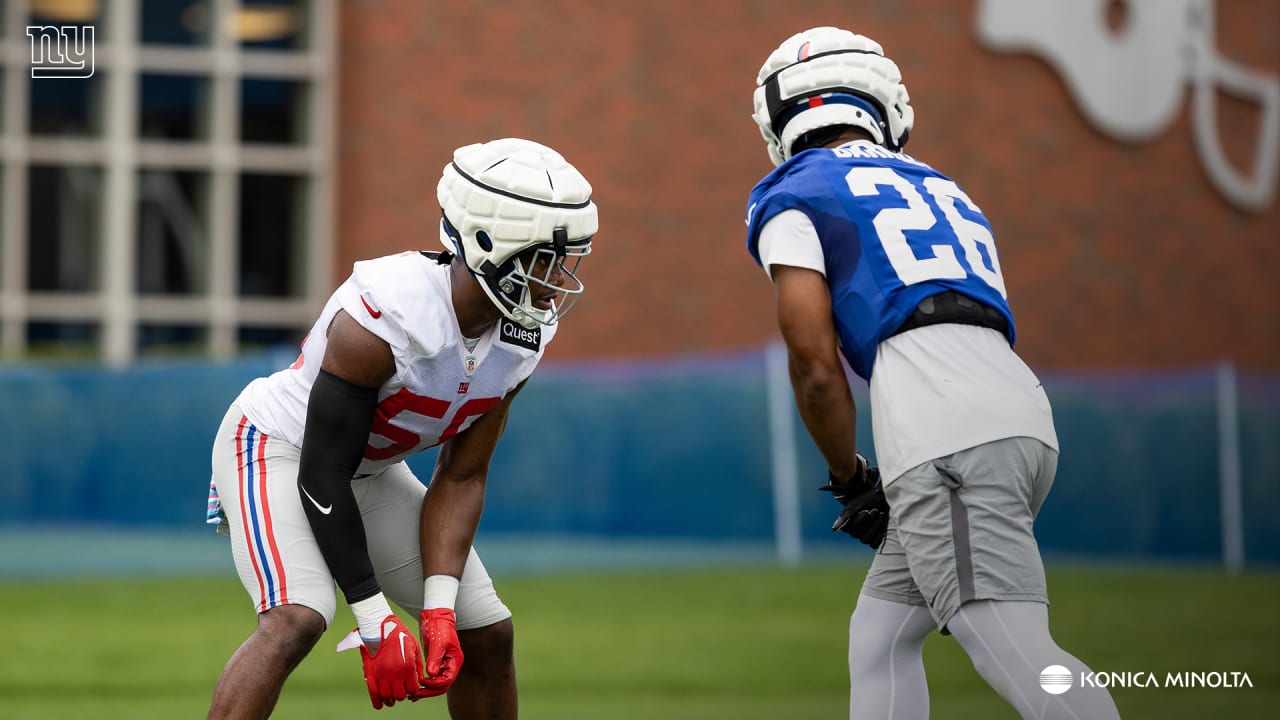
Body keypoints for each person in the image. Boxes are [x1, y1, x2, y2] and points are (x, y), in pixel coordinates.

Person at [744, 27, 1121, 720]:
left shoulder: (794, 189)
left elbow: (814, 361)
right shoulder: (942, 186)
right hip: (1015, 415)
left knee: (1014, 649)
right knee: (881, 637)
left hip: (945, 441)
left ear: (780, 116)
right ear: (884, 103)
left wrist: (850, 478)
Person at [204, 137, 598, 718]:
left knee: (484, 631)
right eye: (545, 259)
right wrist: (373, 618)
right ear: (491, 245)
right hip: (277, 449)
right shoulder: (387, 312)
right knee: (298, 617)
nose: (556, 279)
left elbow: (462, 477)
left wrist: (439, 609)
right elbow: (321, 472)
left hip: (365, 469)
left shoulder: (523, 337)